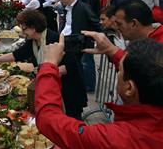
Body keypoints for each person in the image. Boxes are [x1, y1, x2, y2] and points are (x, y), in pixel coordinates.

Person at [35, 34, 163, 148]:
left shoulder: (118, 139)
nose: (117, 72)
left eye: (119, 70)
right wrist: (112, 50)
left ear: (129, 88)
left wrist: (49, 65)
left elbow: (48, 119)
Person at [0, 10, 87, 119]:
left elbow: (72, 66)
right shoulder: (33, 41)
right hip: (53, 86)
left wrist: (45, 70)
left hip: (69, 90)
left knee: (71, 122)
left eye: (24, 29)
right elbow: (17, 54)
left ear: (34, 27)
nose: (22, 33)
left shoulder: (54, 38)